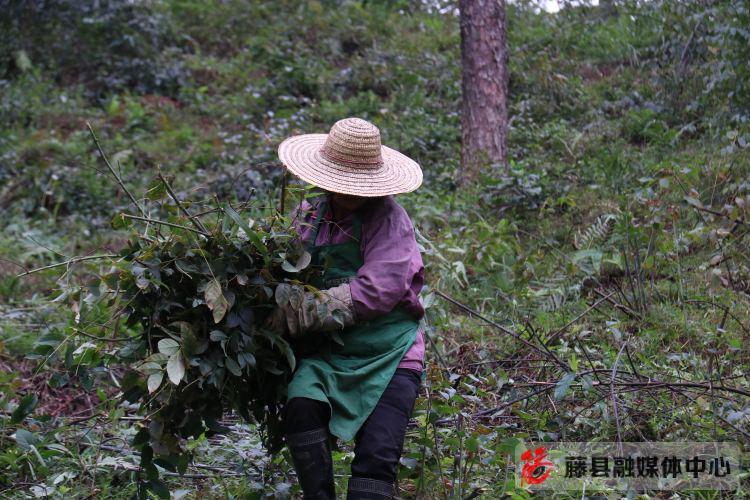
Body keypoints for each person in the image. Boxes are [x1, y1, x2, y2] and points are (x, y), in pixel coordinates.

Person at [274, 117, 426, 499]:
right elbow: (284, 265)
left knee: (376, 459)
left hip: (389, 353)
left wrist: (308, 309)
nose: (346, 193)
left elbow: (378, 290)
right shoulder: (310, 216)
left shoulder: (389, 220)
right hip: (331, 352)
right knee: (302, 406)